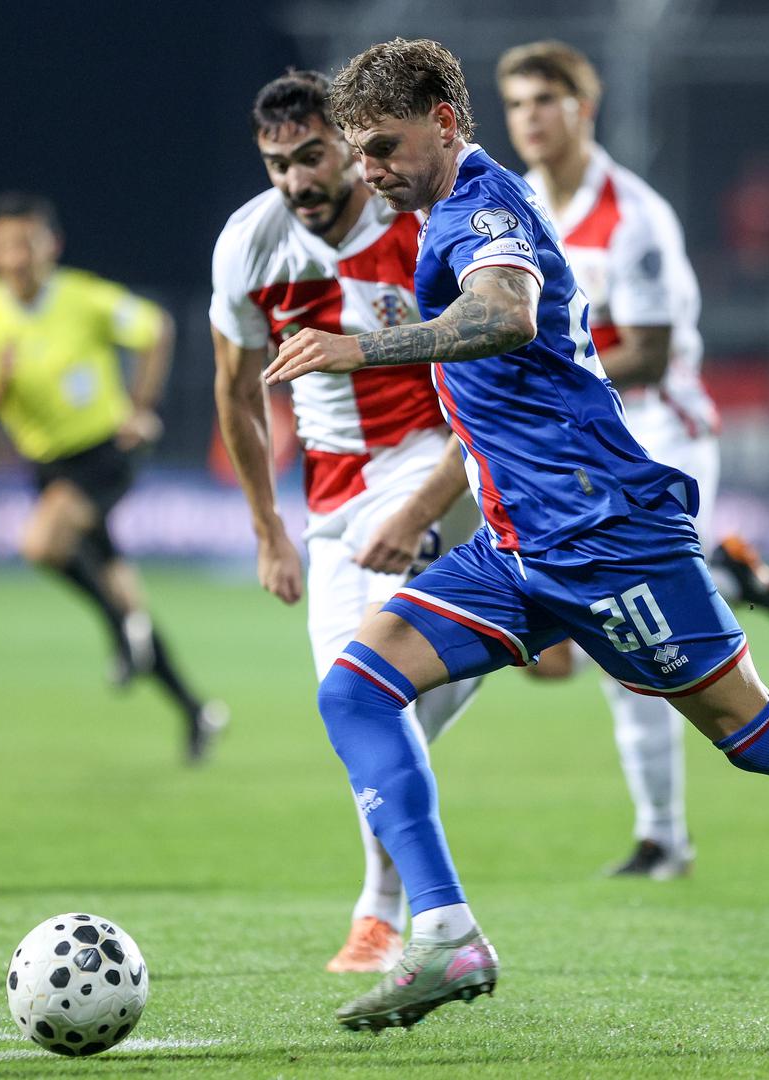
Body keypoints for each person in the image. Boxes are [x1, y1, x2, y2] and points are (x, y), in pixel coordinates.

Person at [264, 38, 769, 1030]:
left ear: (444, 123)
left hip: (606, 536)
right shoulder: (439, 216)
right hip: (514, 549)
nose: (367, 168)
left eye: (382, 145)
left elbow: (507, 313)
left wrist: (364, 347)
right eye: (357, 150)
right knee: (355, 689)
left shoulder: (481, 207)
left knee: (751, 733)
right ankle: (444, 934)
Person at [497, 40, 769, 880]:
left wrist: (545, 377)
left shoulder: (633, 215)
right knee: (603, 635)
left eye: (545, 100)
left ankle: (662, 838)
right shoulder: (510, 207)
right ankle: (720, 572)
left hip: (660, 433)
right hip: (575, 442)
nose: (529, 118)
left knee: (632, 632)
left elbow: (654, 353)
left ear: (582, 109)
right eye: (516, 104)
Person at [211, 71, 481, 972]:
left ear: (350, 147)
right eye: (277, 164)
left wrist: (419, 509)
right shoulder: (250, 244)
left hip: (436, 469)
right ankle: (535, 626)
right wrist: (267, 532)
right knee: (354, 706)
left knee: (377, 696)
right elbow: (235, 393)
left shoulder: (421, 227)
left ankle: (388, 913)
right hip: (332, 505)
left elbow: (485, 393)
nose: (296, 180)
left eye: (311, 156)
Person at [0, 193, 225, 763]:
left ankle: (121, 633)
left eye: (29, 242)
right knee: (124, 597)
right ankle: (195, 709)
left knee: (41, 543)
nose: (19, 256)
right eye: (6, 245)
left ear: (52, 245)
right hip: (46, 465)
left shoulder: (81, 297)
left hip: (105, 452)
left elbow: (156, 328)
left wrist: (141, 407)